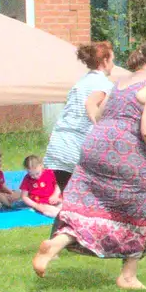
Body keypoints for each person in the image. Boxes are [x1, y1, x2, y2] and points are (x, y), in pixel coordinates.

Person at [34, 40, 146, 290]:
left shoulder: (119, 83)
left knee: (90, 206)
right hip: (127, 153)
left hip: (94, 147)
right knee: (139, 208)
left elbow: (97, 113)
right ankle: (128, 275)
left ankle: (56, 243)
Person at [43, 42, 116, 191]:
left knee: (68, 201)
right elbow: (90, 104)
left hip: (58, 147)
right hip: (76, 149)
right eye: (112, 60)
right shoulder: (103, 84)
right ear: (104, 61)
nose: (113, 65)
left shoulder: (81, 82)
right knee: (88, 200)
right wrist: (101, 128)